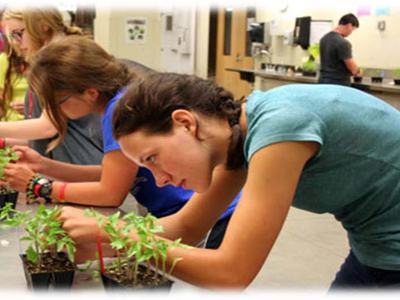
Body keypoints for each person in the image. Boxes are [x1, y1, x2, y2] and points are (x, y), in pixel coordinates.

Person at [56, 72, 400, 289]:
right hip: (374, 247)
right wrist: (108, 239)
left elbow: (231, 272)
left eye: (153, 159)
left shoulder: (279, 128)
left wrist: (117, 234)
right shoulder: (235, 140)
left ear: (185, 123)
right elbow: (185, 228)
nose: (160, 181)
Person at [3, 36, 241, 249]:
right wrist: (44, 165)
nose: (55, 111)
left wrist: (40, 186)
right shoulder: (120, 101)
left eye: (58, 103)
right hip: (190, 216)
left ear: (89, 92)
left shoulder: (118, 110)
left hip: (205, 217)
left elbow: (110, 193)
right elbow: (113, 174)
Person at [0, 6, 103, 163]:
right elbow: (49, 134)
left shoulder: (59, 60)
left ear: (42, 25)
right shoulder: (60, 55)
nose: (16, 42)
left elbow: (47, 128)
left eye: (18, 33)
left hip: (81, 165)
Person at [318, 13, 360, 86]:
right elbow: (352, 68)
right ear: (349, 26)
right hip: (338, 85)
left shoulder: (323, 39)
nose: (351, 33)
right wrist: (358, 71)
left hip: (322, 82)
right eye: (352, 30)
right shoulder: (343, 43)